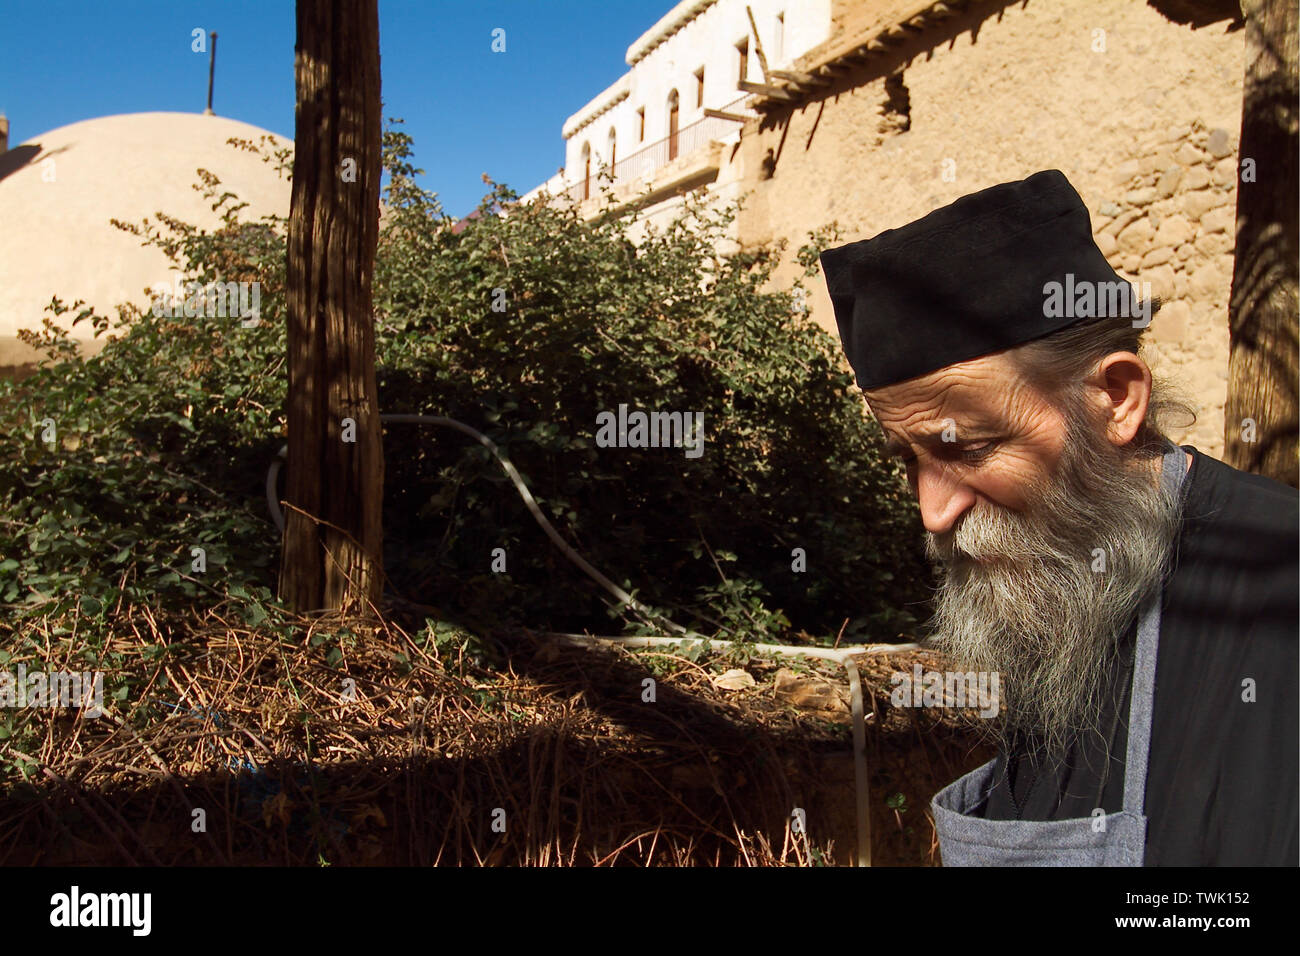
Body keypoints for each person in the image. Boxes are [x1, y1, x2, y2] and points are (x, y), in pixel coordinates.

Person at [819, 169, 1298, 866]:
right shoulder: (1063, 581)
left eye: (969, 448)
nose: (933, 512)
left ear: (1116, 399)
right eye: (908, 460)